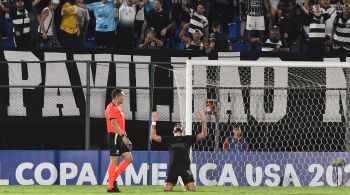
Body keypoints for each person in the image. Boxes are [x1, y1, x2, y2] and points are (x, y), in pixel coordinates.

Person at [150, 111, 208, 192]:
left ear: (182, 131)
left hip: (185, 167)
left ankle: (185, 185)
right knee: (167, 189)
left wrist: (203, 120)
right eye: (176, 126)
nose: (178, 127)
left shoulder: (188, 139)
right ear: (173, 131)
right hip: (173, 167)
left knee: (192, 190)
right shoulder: (169, 139)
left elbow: (204, 134)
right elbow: (153, 136)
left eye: (179, 126)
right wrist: (153, 122)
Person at [105, 89, 133, 192]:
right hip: (115, 136)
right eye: (123, 96)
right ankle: (110, 187)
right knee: (114, 161)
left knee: (129, 159)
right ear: (117, 97)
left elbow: (120, 125)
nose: (124, 98)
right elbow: (113, 123)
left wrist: (126, 137)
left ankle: (112, 180)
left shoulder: (118, 108)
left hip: (121, 136)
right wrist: (123, 136)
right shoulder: (111, 107)